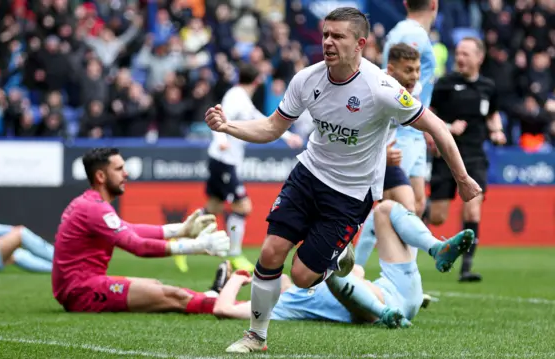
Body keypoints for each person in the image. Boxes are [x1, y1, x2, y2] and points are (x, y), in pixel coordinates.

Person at [205, 7, 481, 353]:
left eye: (338, 36)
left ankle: (335, 258)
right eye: (325, 35)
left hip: (350, 194)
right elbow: (273, 127)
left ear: (360, 44)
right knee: (271, 250)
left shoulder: (382, 88)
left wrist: (463, 178)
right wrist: (228, 126)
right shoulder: (306, 79)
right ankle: (256, 336)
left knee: (304, 276)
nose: (328, 42)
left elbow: (438, 127)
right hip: (308, 174)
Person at [210, 200, 474, 331]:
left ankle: (435, 248)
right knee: (329, 273)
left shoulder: (302, 285)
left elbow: (356, 269)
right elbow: (223, 309)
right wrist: (241, 276)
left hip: (398, 289)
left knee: (384, 209)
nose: (276, 273)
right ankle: (385, 314)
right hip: (377, 307)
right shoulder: (282, 304)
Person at [51, 147, 231, 314]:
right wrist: (197, 246)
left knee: (155, 286)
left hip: (81, 287)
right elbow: (138, 246)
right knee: (174, 297)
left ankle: (213, 295)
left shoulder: (89, 203)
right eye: (119, 169)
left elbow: (130, 229)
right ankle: (232, 306)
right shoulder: (95, 208)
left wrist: (180, 230)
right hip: (82, 292)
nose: (126, 173)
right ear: (100, 176)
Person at [202, 63, 304, 273]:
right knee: (243, 207)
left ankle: (179, 242)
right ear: (258, 81)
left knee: (213, 208)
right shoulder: (235, 96)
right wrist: (221, 139)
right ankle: (235, 254)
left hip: (222, 160)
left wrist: (286, 137)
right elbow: (218, 118)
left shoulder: (239, 96)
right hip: (224, 160)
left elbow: (261, 119)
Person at [425, 37, 506, 283]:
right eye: (458, 53)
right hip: (446, 156)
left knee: (473, 207)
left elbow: (492, 115)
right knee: (438, 216)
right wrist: (444, 130)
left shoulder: (488, 87)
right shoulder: (445, 84)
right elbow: (427, 115)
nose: (460, 58)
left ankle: (466, 268)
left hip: (474, 156)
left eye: (465, 54)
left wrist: (497, 130)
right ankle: (417, 212)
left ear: (479, 57)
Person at [355, 42, 422, 266]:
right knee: (356, 218)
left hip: (385, 160)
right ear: (391, 70)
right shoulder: (373, 89)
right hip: (360, 161)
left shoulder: (414, 90)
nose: (414, 77)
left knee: (409, 210)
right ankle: (353, 271)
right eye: (408, 70)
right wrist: (382, 151)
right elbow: (355, 130)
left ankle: (409, 277)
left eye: (417, 69)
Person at [381, 0, 439, 218]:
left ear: (406, 3)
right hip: (402, 130)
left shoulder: (403, 31)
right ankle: (350, 245)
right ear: (434, 4)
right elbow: (394, 78)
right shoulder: (413, 34)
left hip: (413, 129)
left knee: (417, 204)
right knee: (395, 203)